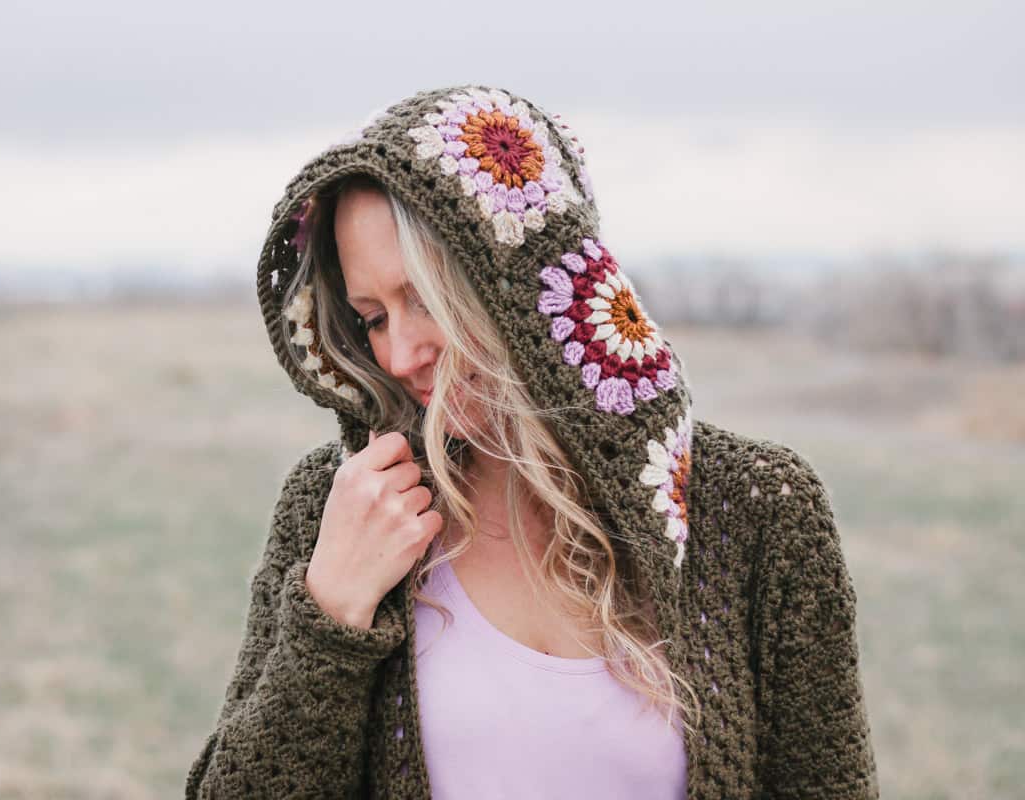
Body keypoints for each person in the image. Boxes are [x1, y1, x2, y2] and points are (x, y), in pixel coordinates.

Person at [185, 85, 879, 799]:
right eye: (373, 319)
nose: (398, 355)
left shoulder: (757, 511)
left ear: (523, 279)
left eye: (423, 297)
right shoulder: (347, 506)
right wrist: (330, 613)